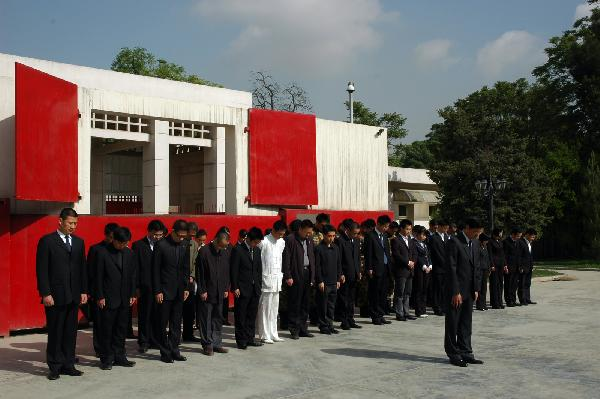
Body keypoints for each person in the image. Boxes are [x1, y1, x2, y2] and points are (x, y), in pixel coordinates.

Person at [36, 208, 88, 380]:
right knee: (55, 331)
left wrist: (83, 291)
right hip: (55, 295)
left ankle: (68, 364)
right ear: (60, 221)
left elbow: (82, 269)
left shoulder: (79, 242)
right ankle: (55, 366)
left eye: (75, 223)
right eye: (70, 223)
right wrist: (45, 293)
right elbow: (42, 270)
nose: (73, 226)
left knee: (70, 332)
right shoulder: (47, 241)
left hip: (73, 295)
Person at [95, 227, 137, 370]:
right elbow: (98, 276)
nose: (123, 246)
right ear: (114, 240)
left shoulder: (129, 253)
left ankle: (120, 356)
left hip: (124, 297)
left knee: (121, 329)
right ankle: (106, 358)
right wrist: (100, 296)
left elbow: (132, 275)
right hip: (108, 297)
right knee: (107, 330)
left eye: (126, 243)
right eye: (121, 243)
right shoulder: (103, 253)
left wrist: (132, 294)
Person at [444, 218, 484, 367]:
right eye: (475, 232)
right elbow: (451, 268)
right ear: (467, 228)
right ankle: (453, 353)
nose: (477, 235)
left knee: (466, 323)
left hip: (470, 290)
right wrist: (455, 291)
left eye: (479, 233)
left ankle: (466, 352)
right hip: (457, 292)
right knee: (453, 323)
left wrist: (476, 288)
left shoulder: (474, 243)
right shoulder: (454, 242)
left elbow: (477, 267)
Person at [152, 220, 190, 363]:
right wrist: (157, 290)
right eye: (179, 236)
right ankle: (165, 352)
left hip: (179, 290)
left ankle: (175, 350)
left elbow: (186, 267)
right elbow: (155, 270)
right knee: (162, 323)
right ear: (172, 231)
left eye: (183, 236)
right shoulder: (161, 245)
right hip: (164, 290)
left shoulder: (185, 245)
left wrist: (186, 287)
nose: (181, 238)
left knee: (176, 322)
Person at [196, 230, 231, 355]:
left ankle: (217, 343)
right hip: (207, 291)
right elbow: (199, 273)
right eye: (221, 245)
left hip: (220, 290)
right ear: (216, 240)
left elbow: (226, 271)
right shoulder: (204, 252)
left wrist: (226, 288)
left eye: (224, 246)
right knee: (206, 319)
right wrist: (202, 290)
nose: (222, 248)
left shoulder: (225, 252)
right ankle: (207, 344)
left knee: (217, 318)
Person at [86, 222, 119, 357]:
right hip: (100, 293)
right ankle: (100, 349)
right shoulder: (96, 249)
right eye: (111, 237)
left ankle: (113, 348)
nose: (113, 240)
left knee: (114, 324)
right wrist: (94, 293)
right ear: (106, 236)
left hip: (115, 293)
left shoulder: (120, 248)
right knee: (99, 323)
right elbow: (91, 272)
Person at [132, 220, 165, 353]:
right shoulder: (138, 245)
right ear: (149, 231)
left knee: (158, 315)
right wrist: (136, 287)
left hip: (160, 288)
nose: (158, 237)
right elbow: (135, 268)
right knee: (145, 315)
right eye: (156, 234)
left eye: (160, 234)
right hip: (145, 287)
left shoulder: (163, 245)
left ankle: (155, 340)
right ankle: (144, 341)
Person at [230, 227, 264, 349]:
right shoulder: (238, 250)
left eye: (257, 243)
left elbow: (259, 269)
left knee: (251, 315)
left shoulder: (257, 250)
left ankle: (250, 338)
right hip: (242, 288)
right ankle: (241, 340)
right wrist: (235, 287)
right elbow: (233, 270)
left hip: (255, 289)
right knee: (241, 316)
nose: (256, 244)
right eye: (255, 242)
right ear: (248, 239)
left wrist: (259, 285)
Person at [282, 219, 316, 340]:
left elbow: (312, 257)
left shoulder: (310, 240)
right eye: (307, 232)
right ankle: (294, 329)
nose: (308, 235)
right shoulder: (290, 240)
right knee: (295, 303)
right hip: (295, 274)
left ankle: (303, 328)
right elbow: (286, 259)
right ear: (300, 229)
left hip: (307, 273)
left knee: (305, 303)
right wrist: (288, 276)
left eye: (310, 233)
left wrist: (313, 276)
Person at [257, 220, 287, 344]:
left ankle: (274, 333)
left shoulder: (282, 242)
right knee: (265, 308)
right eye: (279, 234)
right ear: (273, 230)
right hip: (266, 279)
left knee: (274, 308)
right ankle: (264, 334)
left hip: (277, 279)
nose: (281, 236)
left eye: (283, 234)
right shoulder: (263, 242)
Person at [364, 215, 393, 325]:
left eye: (387, 227)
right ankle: (375, 316)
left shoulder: (385, 236)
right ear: (379, 225)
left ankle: (381, 314)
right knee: (374, 293)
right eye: (384, 226)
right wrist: (369, 268)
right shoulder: (370, 236)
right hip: (375, 268)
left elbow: (387, 251)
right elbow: (368, 253)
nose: (386, 229)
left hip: (385, 268)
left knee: (383, 293)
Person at [314, 224, 342, 334]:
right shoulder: (319, 249)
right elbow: (317, 266)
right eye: (329, 236)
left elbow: (338, 264)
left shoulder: (336, 248)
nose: (332, 238)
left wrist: (338, 279)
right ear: (324, 236)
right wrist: (320, 280)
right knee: (323, 306)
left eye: (333, 236)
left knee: (331, 306)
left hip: (334, 282)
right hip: (324, 283)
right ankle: (323, 326)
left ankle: (330, 325)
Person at [336, 219, 362, 330]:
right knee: (344, 299)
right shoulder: (340, 240)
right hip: (345, 275)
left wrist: (359, 271)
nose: (356, 235)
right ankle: (344, 320)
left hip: (354, 274)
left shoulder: (355, 241)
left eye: (357, 233)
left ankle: (351, 319)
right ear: (347, 230)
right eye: (354, 233)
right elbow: (339, 259)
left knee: (351, 299)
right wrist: (340, 273)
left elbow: (357, 257)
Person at [390, 219, 416, 322]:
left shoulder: (411, 240)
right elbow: (396, 255)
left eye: (410, 229)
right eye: (407, 229)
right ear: (401, 229)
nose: (409, 231)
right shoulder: (395, 240)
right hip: (401, 269)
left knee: (408, 292)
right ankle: (399, 313)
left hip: (410, 270)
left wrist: (413, 261)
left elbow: (414, 253)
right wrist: (407, 262)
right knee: (399, 292)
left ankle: (406, 312)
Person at [182, 222, 201, 343]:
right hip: (179, 279)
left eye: (194, 235)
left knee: (190, 310)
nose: (192, 237)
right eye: (190, 234)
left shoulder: (194, 244)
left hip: (189, 280)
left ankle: (188, 334)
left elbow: (195, 261)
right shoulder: (180, 242)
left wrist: (192, 276)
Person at [412, 225, 432, 318]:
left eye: (425, 235)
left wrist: (430, 265)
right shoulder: (414, 243)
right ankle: (418, 310)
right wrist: (424, 266)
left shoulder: (425, 245)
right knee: (419, 289)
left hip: (427, 270)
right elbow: (418, 257)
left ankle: (423, 309)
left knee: (425, 289)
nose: (424, 237)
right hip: (420, 270)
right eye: (423, 235)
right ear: (418, 234)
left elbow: (428, 256)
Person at [428, 220, 448, 316]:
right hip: (438, 267)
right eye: (444, 228)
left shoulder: (446, 237)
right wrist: (444, 263)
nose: (446, 230)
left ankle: (444, 306)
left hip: (446, 268)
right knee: (437, 288)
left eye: (447, 228)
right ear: (439, 227)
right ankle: (437, 307)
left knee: (444, 288)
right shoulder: (434, 238)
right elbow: (435, 253)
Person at [503, 228, 522, 307]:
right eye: (518, 236)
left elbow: (519, 255)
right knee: (508, 284)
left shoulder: (518, 242)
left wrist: (520, 266)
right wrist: (505, 265)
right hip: (509, 267)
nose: (519, 237)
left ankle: (513, 300)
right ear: (513, 234)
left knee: (514, 285)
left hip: (516, 267)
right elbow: (504, 255)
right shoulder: (506, 242)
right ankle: (508, 300)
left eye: (520, 236)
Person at [518, 228, 537, 305]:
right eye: (532, 236)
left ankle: (527, 298)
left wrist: (532, 266)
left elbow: (529, 256)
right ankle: (522, 300)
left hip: (529, 267)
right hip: (523, 267)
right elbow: (519, 256)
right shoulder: (521, 242)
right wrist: (521, 266)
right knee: (522, 283)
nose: (533, 238)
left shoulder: (530, 243)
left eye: (534, 237)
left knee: (528, 283)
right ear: (527, 235)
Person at [488, 228, 506, 309]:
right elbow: (490, 254)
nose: (501, 234)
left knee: (500, 284)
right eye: (500, 233)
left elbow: (503, 254)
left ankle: (500, 301)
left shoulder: (500, 242)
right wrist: (492, 265)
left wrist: (505, 264)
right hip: (494, 265)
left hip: (501, 265)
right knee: (494, 284)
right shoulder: (490, 242)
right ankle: (495, 302)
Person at [476, 234, 491, 311]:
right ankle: (479, 305)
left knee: (484, 288)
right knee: (479, 288)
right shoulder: (477, 248)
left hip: (485, 269)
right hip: (480, 270)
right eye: (485, 240)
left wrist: (489, 268)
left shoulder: (485, 247)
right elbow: (477, 259)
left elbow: (487, 258)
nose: (487, 242)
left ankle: (484, 304)